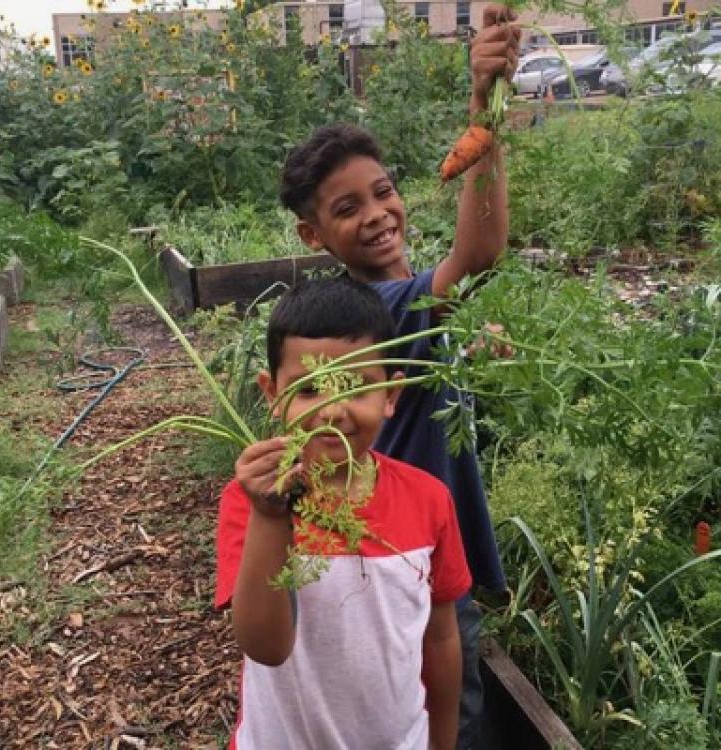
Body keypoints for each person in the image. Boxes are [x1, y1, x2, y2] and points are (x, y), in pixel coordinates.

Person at [277, 8, 521, 747]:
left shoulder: (407, 303)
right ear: (313, 237)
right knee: (442, 713)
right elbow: (478, 253)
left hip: (418, 550)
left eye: (382, 192)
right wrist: (484, 109)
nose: (379, 214)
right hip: (406, 559)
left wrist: (465, 349)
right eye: (347, 210)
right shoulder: (377, 309)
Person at [215, 276, 472, 749]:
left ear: (391, 396)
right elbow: (265, 647)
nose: (332, 411)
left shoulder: (429, 498)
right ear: (272, 393)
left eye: (354, 387)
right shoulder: (250, 501)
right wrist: (271, 517)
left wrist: (443, 741)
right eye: (310, 389)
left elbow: (440, 639)